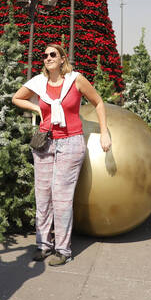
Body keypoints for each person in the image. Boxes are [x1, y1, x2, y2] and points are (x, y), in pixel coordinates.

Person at [13, 43, 112, 266]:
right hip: (45, 142)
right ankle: (43, 245)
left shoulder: (75, 80)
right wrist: (37, 108)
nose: (48, 58)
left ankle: (63, 249)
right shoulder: (39, 83)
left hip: (70, 143)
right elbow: (17, 98)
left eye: (52, 54)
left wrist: (104, 132)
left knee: (61, 197)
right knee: (43, 196)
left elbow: (98, 102)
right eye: (45, 55)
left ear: (62, 59)